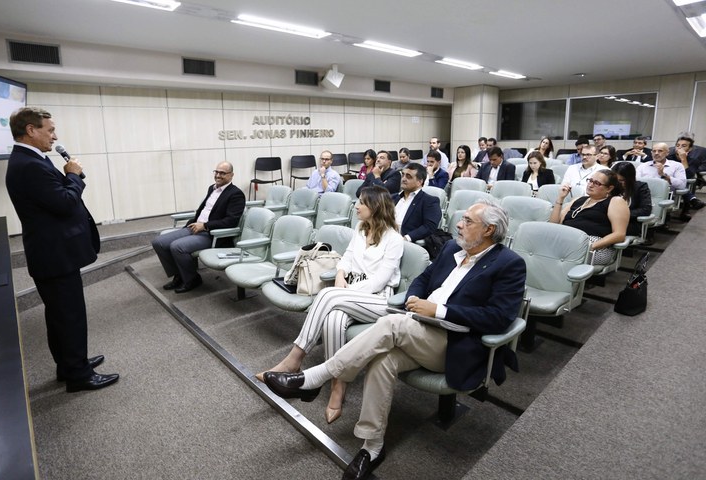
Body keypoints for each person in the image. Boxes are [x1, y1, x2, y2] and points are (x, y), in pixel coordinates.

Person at [264, 200, 526, 480]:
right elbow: (423, 279)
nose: (459, 224)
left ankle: (315, 378)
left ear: (489, 229)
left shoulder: (509, 264)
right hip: (419, 327)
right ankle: (372, 446)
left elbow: (498, 317)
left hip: (454, 343)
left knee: (389, 323)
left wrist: (439, 310)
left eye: (468, 221)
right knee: (383, 360)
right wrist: (416, 298)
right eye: (461, 218)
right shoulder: (452, 248)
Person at [258, 186, 404, 425]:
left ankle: (294, 359)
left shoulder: (394, 239)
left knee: (327, 297)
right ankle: (338, 385)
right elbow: (346, 257)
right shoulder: (360, 229)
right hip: (349, 293)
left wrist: (341, 291)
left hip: (378, 299)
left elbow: (379, 281)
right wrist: (340, 275)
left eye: (362, 203)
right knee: (334, 319)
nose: (356, 206)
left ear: (376, 207)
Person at [5, 107, 119, 393]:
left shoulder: (29, 159)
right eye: (50, 130)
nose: (54, 136)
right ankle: (78, 376)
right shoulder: (29, 164)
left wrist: (70, 177)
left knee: (60, 315)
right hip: (54, 254)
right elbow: (65, 202)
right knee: (69, 316)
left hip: (52, 252)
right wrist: (74, 175)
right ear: (31, 130)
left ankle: (70, 364)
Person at [152, 162, 245, 293]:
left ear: (231, 175)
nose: (218, 175)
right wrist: (196, 223)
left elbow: (231, 221)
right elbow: (203, 211)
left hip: (212, 234)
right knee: (159, 242)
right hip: (194, 226)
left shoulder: (236, 194)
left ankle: (192, 279)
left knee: (177, 246)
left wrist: (205, 226)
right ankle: (180, 274)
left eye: (222, 173)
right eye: (216, 172)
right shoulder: (211, 188)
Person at [550, 169, 630, 265]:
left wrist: (589, 246)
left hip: (595, 247)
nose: (590, 185)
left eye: (596, 183)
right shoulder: (579, 199)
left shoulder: (615, 201)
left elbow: (619, 235)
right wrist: (560, 198)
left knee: (548, 255)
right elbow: (553, 225)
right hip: (566, 242)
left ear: (609, 188)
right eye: (590, 180)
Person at [393, 163, 442, 242]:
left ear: (419, 182)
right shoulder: (393, 198)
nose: (403, 179)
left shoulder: (429, 201)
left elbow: (429, 227)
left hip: (407, 243)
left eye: (408, 176)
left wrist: (407, 238)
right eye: (403, 175)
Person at [667, 132, 706, 211]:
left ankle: (686, 209)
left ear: (690, 148)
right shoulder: (669, 155)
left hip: (683, 180)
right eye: (678, 145)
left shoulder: (693, 159)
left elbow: (688, 176)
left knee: (683, 182)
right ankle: (692, 199)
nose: (679, 148)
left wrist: (683, 159)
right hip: (668, 178)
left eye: (684, 146)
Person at [611, 162, 652, 237]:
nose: (618, 183)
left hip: (631, 222)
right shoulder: (612, 187)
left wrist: (622, 214)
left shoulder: (641, 187)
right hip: (610, 220)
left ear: (630, 179)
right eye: (616, 180)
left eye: (621, 180)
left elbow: (646, 209)